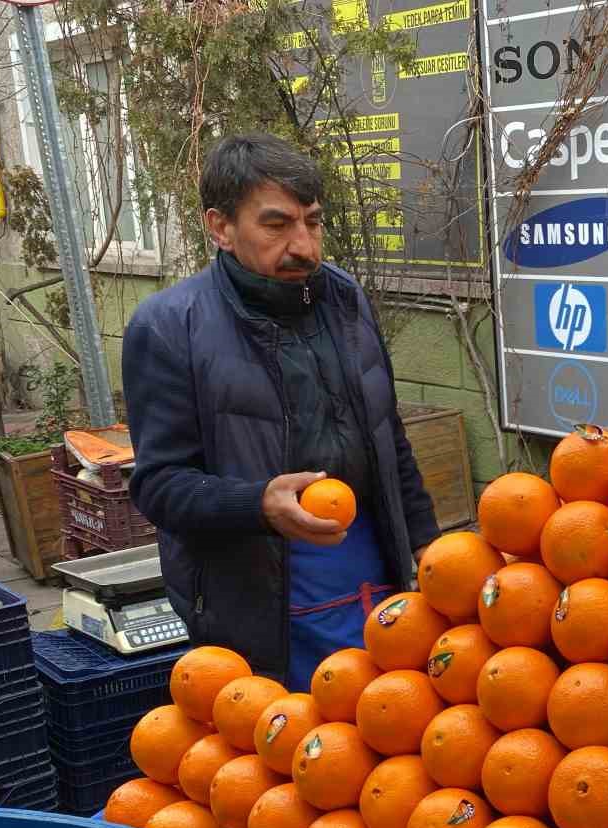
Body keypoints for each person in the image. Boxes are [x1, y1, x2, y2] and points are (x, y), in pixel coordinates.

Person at [125, 133, 439, 688]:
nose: (305, 247)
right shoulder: (171, 327)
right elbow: (159, 486)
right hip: (262, 597)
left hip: (374, 572)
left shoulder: (345, 301)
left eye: (312, 222)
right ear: (220, 228)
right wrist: (257, 504)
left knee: (393, 740)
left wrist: (430, 549)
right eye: (277, 225)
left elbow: (388, 439)